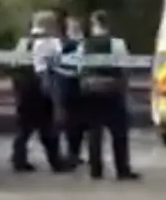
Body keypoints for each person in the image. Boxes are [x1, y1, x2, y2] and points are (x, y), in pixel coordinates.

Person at [78, 10, 141, 181]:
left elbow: (79, 68)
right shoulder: (117, 43)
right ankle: (122, 169)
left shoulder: (84, 44)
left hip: (90, 92)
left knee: (94, 132)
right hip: (112, 92)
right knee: (119, 133)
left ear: (93, 24)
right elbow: (125, 67)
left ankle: (95, 170)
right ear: (108, 24)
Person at [9, 10, 69, 173]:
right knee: (48, 126)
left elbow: (15, 64)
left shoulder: (25, 42)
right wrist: (52, 92)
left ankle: (19, 159)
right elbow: (49, 68)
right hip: (41, 87)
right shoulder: (50, 42)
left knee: (24, 127)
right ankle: (56, 162)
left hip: (24, 88)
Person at [56, 16, 86, 166]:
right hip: (70, 85)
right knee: (72, 123)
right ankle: (71, 153)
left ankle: (74, 153)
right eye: (73, 27)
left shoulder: (74, 44)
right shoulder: (66, 45)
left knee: (75, 123)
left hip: (73, 86)